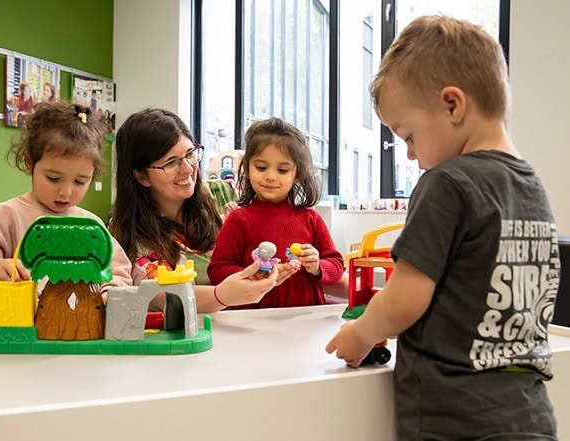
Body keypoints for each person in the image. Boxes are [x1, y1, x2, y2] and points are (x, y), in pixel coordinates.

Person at [326, 15, 559, 440]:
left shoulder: (447, 182)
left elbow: (404, 299)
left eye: (409, 136)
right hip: (529, 412)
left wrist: (361, 334)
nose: (411, 155)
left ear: (453, 105)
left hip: (456, 417)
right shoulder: (532, 185)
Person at [0, 101, 133, 299]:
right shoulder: (7, 215)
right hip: (19, 325)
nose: (66, 192)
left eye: (80, 181)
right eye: (53, 178)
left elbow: (119, 270)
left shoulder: (92, 225)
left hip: (80, 327)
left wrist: (110, 291)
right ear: (29, 163)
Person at [109, 107, 277, 313]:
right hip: (195, 338)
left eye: (190, 154)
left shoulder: (225, 195)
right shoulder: (129, 236)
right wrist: (223, 295)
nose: (188, 168)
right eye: (171, 163)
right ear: (141, 176)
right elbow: (164, 296)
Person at [207, 117, 345, 308]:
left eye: (282, 170)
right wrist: (255, 274)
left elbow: (336, 265)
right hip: (253, 317)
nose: (270, 177)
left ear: (296, 174)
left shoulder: (310, 218)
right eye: (261, 167)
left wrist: (316, 266)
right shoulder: (239, 219)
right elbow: (217, 270)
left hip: (305, 316)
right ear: (247, 168)